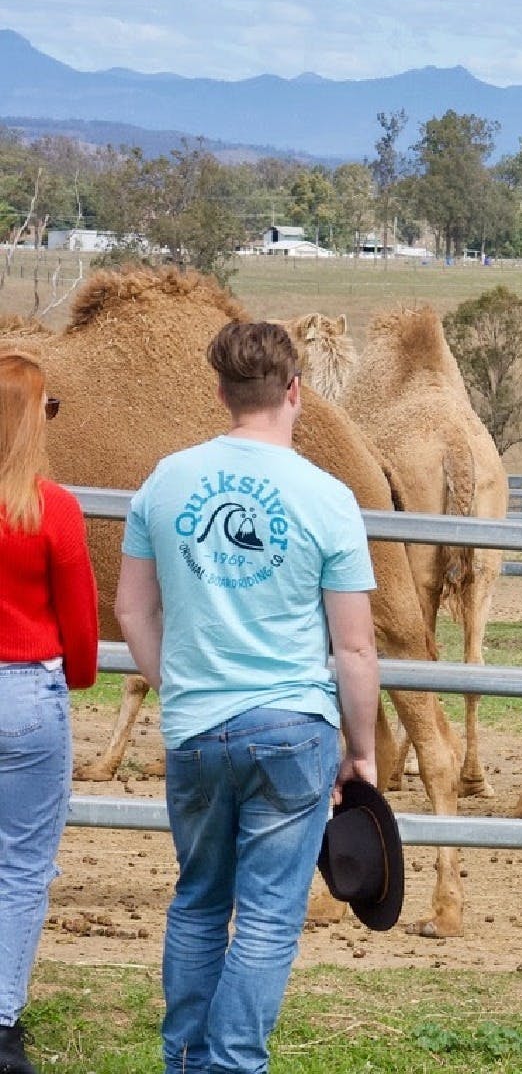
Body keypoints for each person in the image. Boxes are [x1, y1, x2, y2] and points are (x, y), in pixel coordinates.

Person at [114, 321, 381, 1074]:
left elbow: (133, 610)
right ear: (294, 391)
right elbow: (355, 647)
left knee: (199, 901)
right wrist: (359, 750)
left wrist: (183, 685)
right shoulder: (328, 498)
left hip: (198, 729)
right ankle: (232, 1066)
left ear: (223, 392)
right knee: (266, 918)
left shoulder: (164, 482)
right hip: (294, 730)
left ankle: (187, 1061)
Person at [0, 352, 97, 1074]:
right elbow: (82, 622)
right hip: (26, 697)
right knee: (24, 865)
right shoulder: (50, 508)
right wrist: (82, 677)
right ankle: (2, 1024)